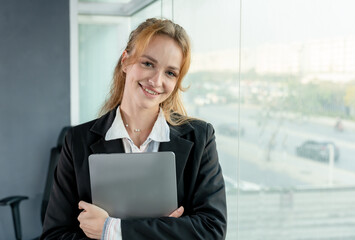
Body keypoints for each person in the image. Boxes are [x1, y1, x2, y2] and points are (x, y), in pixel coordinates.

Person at [41, 18, 227, 240]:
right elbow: (54, 235)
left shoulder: (200, 137)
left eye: (170, 73)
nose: (156, 81)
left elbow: (212, 230)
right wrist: (169, 230)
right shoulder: (77, 141)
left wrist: (111, 230)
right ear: (125, 61)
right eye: (148, 63)